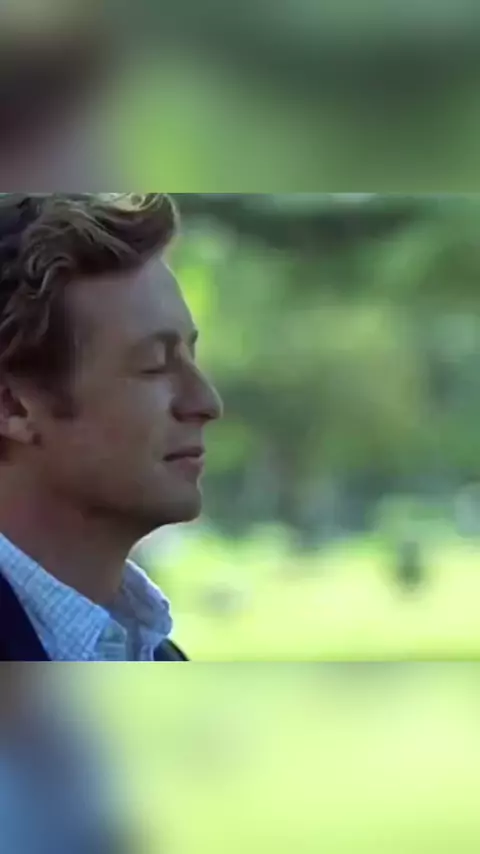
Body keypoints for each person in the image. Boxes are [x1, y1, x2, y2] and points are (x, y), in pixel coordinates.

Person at [0, 193, 223, 661]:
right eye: (155, 365)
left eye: (190, 356)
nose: (206, 403)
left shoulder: (156, 656)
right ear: (12, 406)